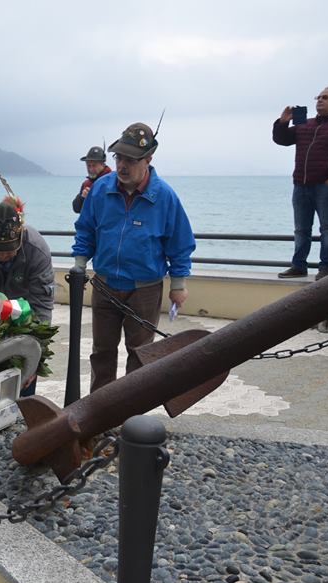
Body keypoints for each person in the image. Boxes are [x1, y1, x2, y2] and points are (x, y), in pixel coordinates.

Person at [72, 122, 195, 393]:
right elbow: (86, 229)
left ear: (148, 159)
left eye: (130, 159)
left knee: (140, 354)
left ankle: (130, 412)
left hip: (144, 290)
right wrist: (80, 263)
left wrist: (178, 285)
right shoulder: (102, 189)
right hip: (104, 285)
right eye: (118, 158)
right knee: (101, 352)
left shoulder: (164, 197)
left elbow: (180, 243)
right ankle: (100, 408)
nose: (122, 166)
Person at [273, 86, 328, 280]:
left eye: (325, 97)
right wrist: (282, 123)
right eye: (318, 97)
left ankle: (326, 268)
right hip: (301, 184)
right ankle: (298, 266)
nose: (319, 101)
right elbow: (282, 140)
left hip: (326, 185)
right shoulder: (305, 122)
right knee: (301, 229)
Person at [72, 146, 112, 214]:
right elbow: (76, 209)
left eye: (94, 165)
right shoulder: (86, 184)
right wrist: (82, 198)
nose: (91, 169)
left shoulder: (113, 181)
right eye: (88, 166)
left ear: (103, 164)